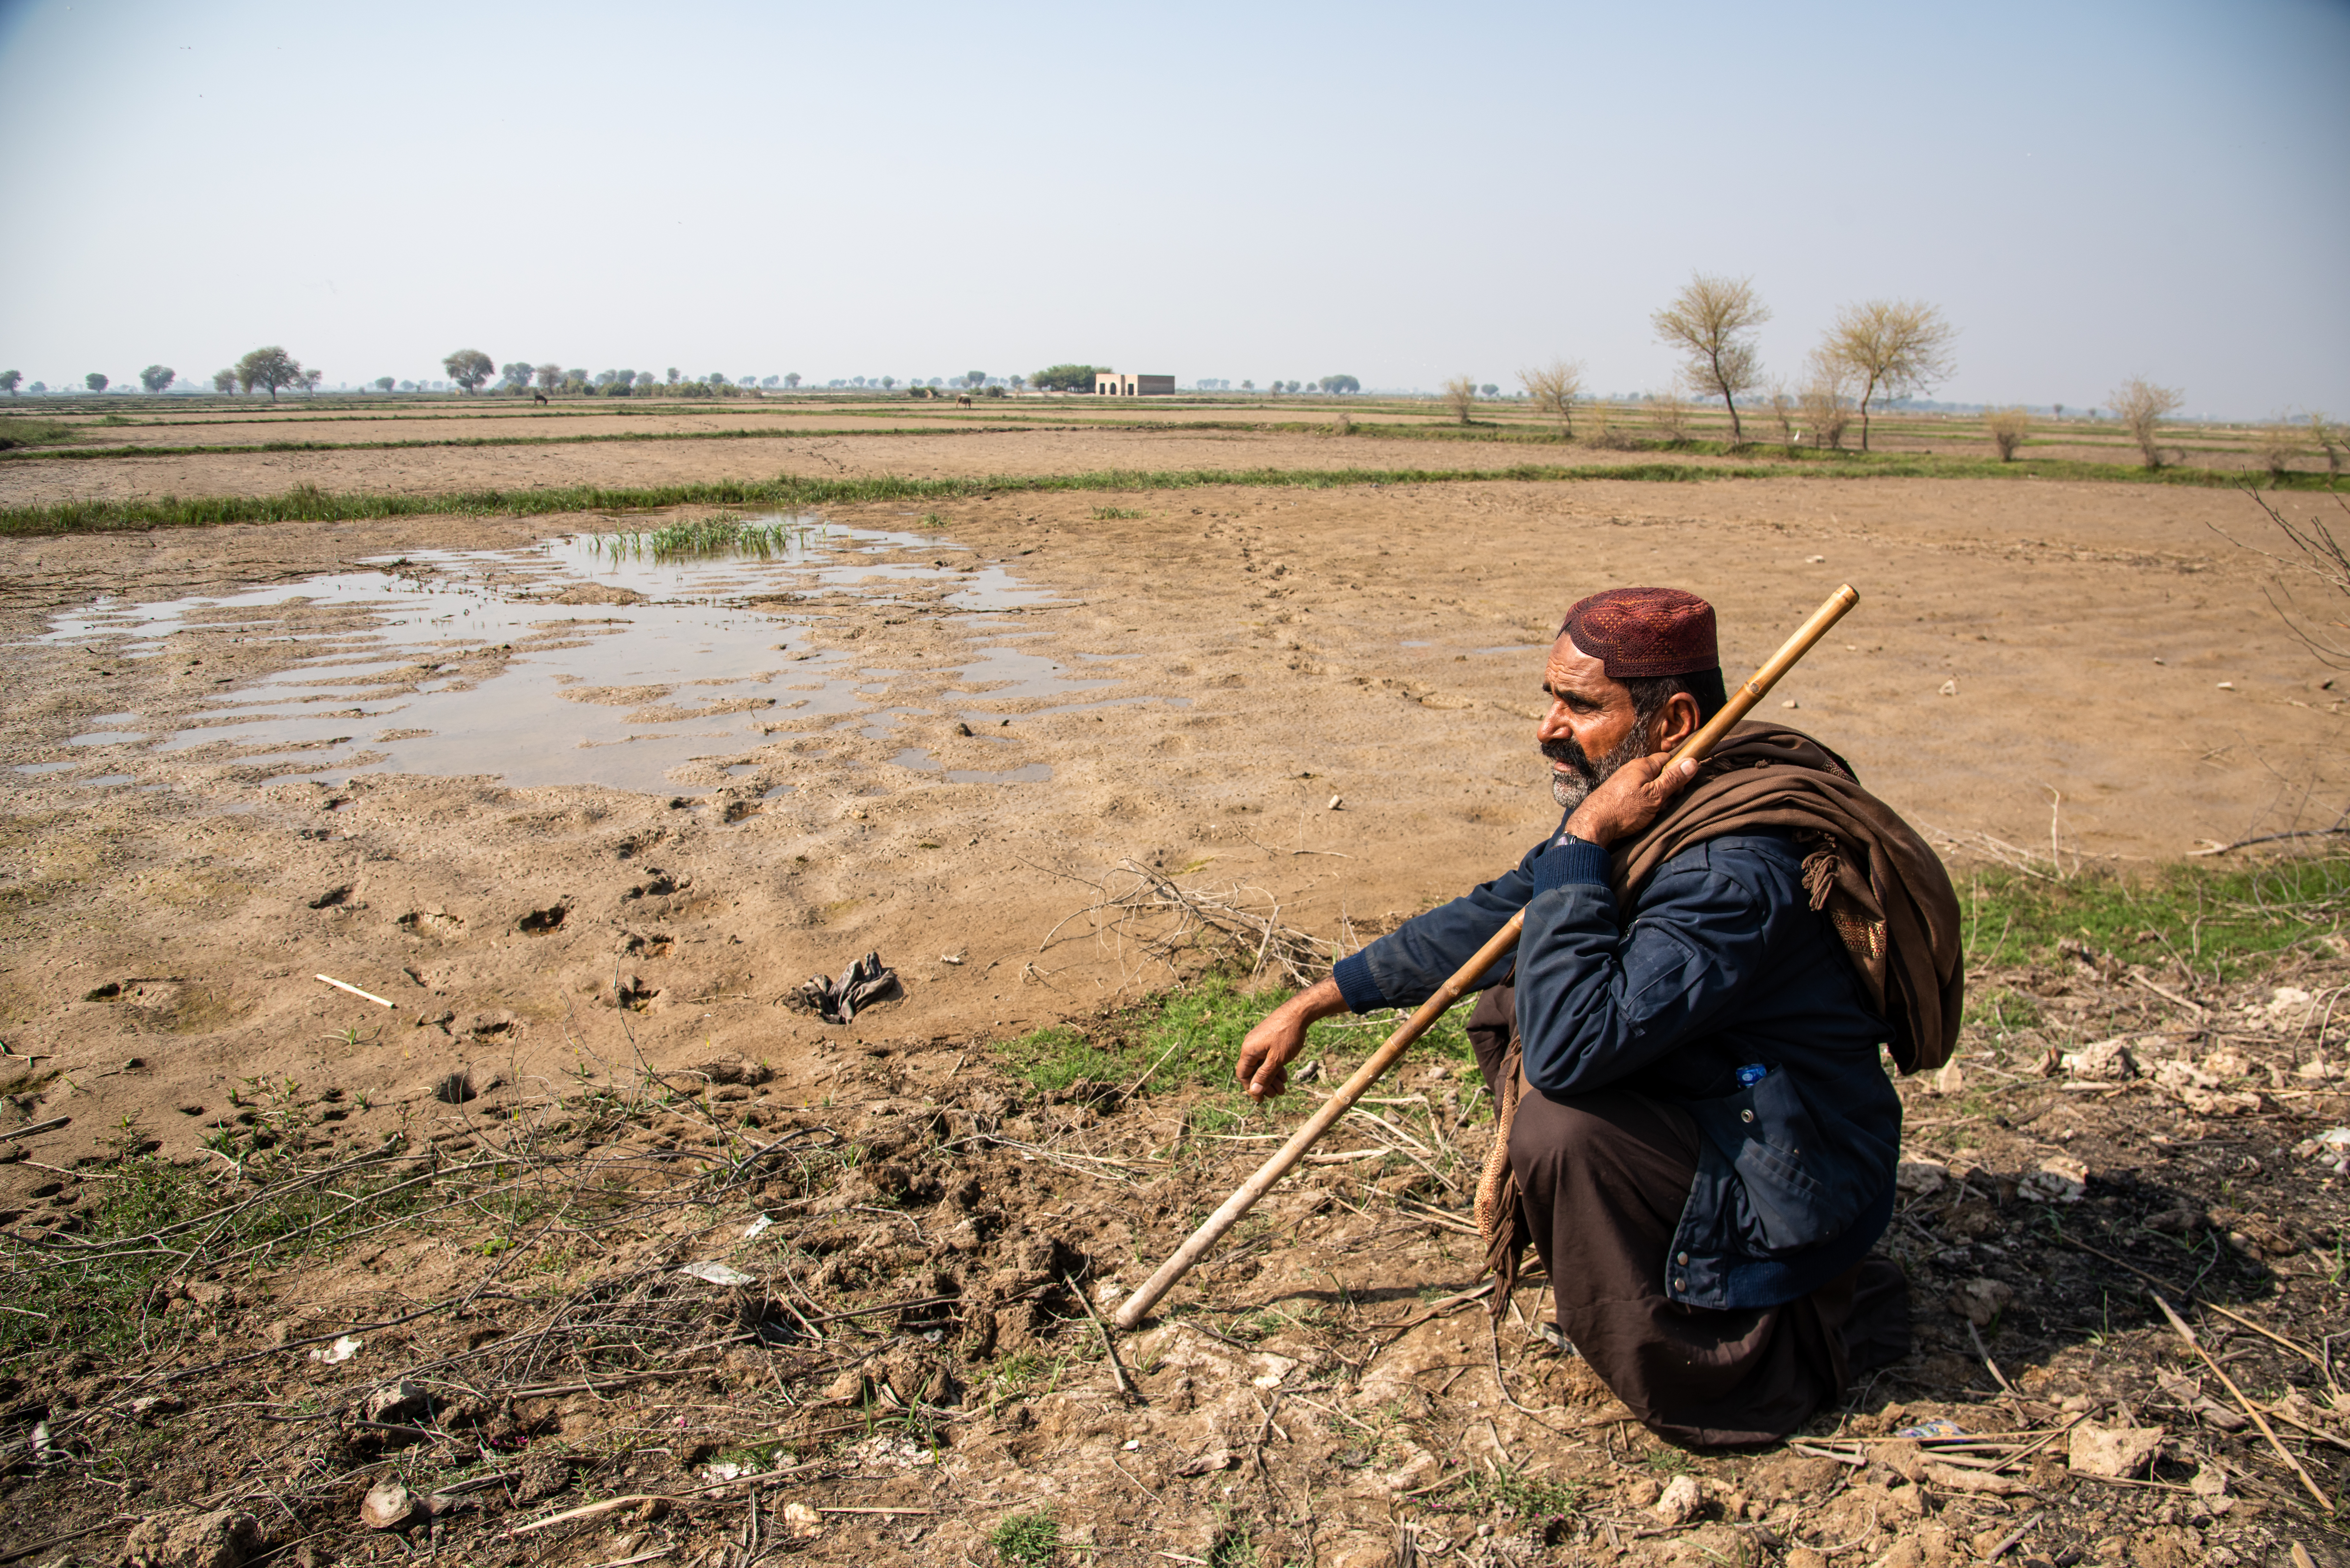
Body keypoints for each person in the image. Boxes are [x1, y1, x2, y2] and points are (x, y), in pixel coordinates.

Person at [1234, 587, 1964, 1446]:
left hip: (1795, 1161)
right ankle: (1657, 1272)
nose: (1547, 727)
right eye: (1550, 698)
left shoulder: (1730, 870)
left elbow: (1574, 1047)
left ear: (1673, 719)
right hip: (1730, 1102)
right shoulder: (1660, 799)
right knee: (1529, 978)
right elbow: (1502, 916)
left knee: (1563, 1125)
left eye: (1581, 706)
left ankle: (1732, 1368)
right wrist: (1320, 999)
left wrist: (1581, 843)